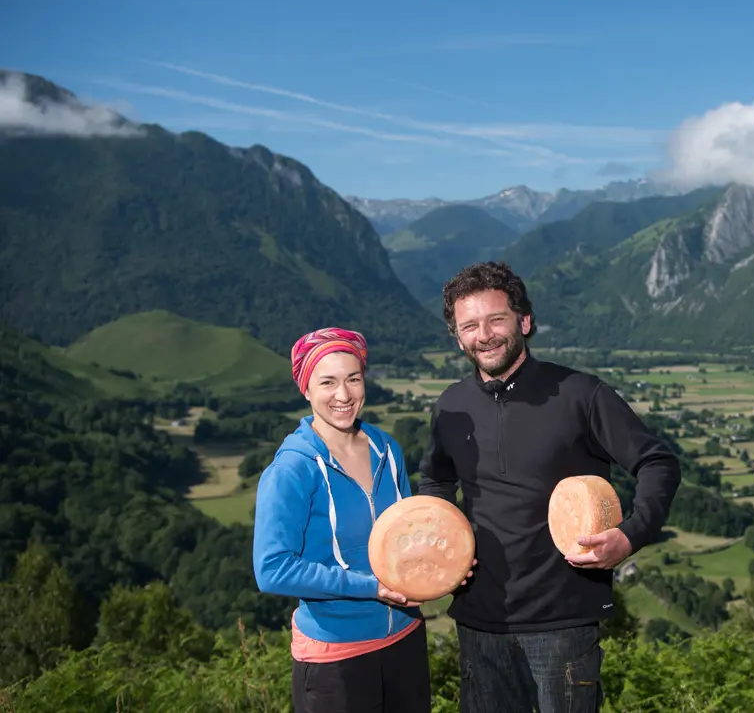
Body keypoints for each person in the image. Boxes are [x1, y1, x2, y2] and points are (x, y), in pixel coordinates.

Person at [418, 261, 682, 713]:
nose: (485, 335)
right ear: (457, 336)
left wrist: (630, 534)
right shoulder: (450, 406)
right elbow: (436, 480)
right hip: (479, 620)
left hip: (563, 620)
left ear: (524, 321)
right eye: (470, 326)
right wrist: (444, 551)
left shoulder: (582, 394)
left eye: (496, 319)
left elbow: (657, 462)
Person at [252, 327, 439, 713]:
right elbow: (271, 570)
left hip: (405, 637)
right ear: (305, 389)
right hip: (336, 654)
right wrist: (370, 588)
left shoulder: (386, 448)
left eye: (353, 379)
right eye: (328, 382)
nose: (344, 395)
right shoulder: (292, 470)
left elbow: (407, 532)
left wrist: (443, 562)